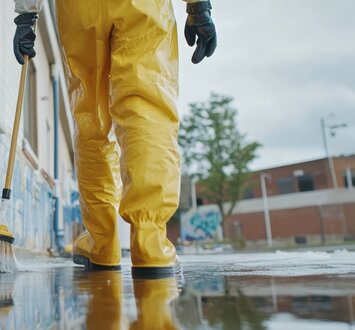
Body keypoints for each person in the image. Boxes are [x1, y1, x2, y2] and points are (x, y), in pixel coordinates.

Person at [13, 0, 216, 277]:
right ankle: (150, 242)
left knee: (91, 119)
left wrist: (26, 16)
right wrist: (198, 7)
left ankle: (101, 243)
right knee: (147, 109)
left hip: (78, 9)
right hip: (144, 7)